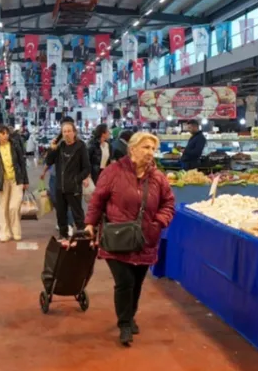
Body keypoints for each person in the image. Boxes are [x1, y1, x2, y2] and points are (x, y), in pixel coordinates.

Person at [85, 132, 176, 346]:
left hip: (145, 238)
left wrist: (159, 223)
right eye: (145, 147)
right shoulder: (113, 172)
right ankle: (124, 324)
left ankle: (130, 315)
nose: (150, 153)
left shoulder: (158, 177)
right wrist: (90, 223)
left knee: (136, 283)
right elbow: (97, 200)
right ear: (132, 149)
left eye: (153, 149)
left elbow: (168, 204)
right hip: (117, 237)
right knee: (124, 282)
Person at [45, 119, 91, 239]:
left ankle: (82, 237)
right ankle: (63, 236)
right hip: (60, 187)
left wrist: (77, 179)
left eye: (69, 131)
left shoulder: (80, 147)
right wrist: (52, 148)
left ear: (74, 132)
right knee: (61, 215)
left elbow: (86, 168)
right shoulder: (60, 147)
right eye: (64, 131)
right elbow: (49, 161)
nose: (66, 134)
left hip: (74, 187)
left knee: (78, 215)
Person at [0, 125, 29, 242]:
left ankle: (16, 231)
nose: (5, 136)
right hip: (2, 181)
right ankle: (5, 232)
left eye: (7, 133)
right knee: (3, 207)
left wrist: (26, 180)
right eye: (2, 133)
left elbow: (22, 163)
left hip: (16, 180)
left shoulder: (15, 145)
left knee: (14, 207)